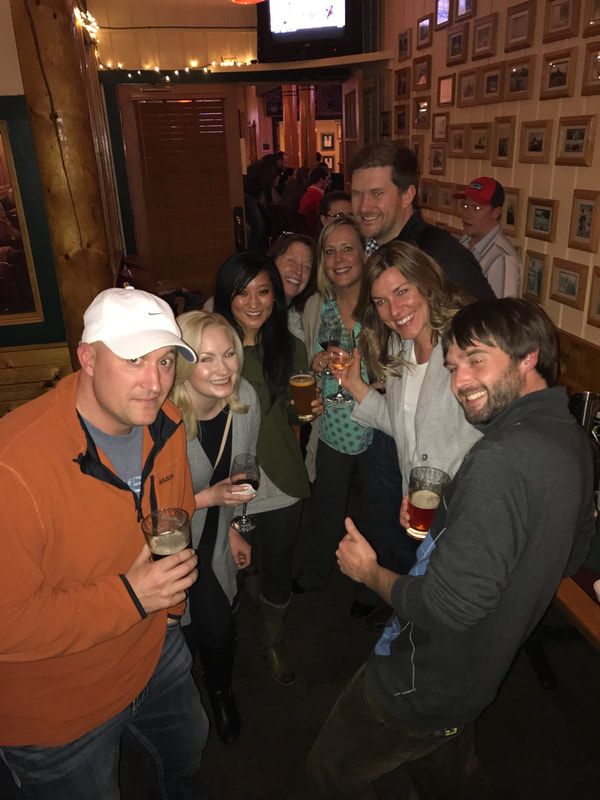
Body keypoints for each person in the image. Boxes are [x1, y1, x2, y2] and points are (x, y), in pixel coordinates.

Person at [308, 298, 596, 799]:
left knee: (330, 772)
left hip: (422, 678)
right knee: (447, 772)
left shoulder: (500, 460)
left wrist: (368, 570)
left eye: (476, 360)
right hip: (477, 675)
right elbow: (570, 555)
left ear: (528, 357)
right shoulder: (571, 436)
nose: (460, 381)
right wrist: (454, 517)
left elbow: (444, 607)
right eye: (453, 367)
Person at [0, 287, 209, 799]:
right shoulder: (14, 467)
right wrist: (133, 596)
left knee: (188, 755)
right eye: (135, 359)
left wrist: (170, 608)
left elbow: (171, 520)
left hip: (153, 651)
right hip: (57, 709)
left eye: (164, 361)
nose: (155, 382)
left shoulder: (168, 425)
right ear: (88, 356)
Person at [341, 240, 481, 573]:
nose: (394, 310)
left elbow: (493, 433)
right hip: (422, 510)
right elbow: (406, 425)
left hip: (468, 511)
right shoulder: (400, 346)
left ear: (427, 283)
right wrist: (356, 387)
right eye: (381, 302)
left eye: (402, 291)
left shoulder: (467, 343)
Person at [213, 252, 317, 685]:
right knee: (223, 565)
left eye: (263, 291)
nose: (254, 303)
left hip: (279, 480)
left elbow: (296, 418)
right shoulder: (213, 349)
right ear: (226, 298)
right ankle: (221, 639)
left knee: (277, 567)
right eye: (242, 293)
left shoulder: (290, 347)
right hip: (226, 481)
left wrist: (309, 408)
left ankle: (272, 641)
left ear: (276, 296)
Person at [171, 310, 260, 745]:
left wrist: (233, 528)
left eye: (229, 354)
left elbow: (243, 475)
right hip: (173, 549)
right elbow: (147, 509)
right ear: (185, 366)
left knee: (219, 628)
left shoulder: (245, 403)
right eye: (206, 359)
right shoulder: (162, 418)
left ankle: (221, 693)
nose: (223, 368)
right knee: (182, 633)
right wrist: (208, 499)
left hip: (213, 540)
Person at [293, 216, 377, 616]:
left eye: (348, 248)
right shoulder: (317, 306)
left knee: (378, 507)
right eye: (329, 251)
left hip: (380, 426)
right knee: (327, 504)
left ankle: (373, 589)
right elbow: (309, 361)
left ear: (364, 253)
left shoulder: (381, 304)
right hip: (334, 426)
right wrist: (318, 362)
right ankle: (315, 572)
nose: (339, 258)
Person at [349, 141, 494, 300]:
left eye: (377, 193)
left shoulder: (439, 256)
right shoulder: (368, 247)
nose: (364, 207)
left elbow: (487, 321)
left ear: (407, 195)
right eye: (357, 194)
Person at [455, 177, 522, 298]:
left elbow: (501, 313)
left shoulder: (502, 259)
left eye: (476, 208)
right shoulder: (465, 241)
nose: (467, 215)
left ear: (496, 212)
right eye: (465, 206)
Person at [267, 232, 316, 342]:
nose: (298, 271)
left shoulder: (303, 319)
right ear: (272, 261)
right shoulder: (255, 311)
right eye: (291, 261)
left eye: (306, 267)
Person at [299, 164, 331, 237]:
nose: (329, 182)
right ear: (321, 179)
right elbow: (322, 221)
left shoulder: (306, 194)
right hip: (315, 234)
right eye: (328, 179)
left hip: (306, 232)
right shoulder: (318, 197)